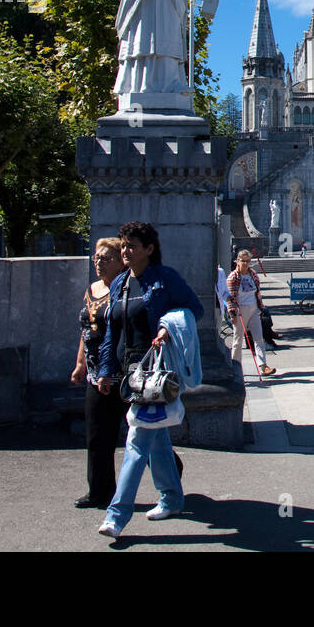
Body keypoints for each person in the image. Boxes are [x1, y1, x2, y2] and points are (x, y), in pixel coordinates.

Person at [97, 221, 204, 538]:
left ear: (149, 249)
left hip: (155, 369)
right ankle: (172, 497)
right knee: (156, 437)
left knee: (136, 441)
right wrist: (105, 370)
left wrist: (167, 327)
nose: (125, 250)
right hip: (130, 372)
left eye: (131, 245)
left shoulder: (164, 278)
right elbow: (110, 333)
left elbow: (193, 309)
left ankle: (116, 516)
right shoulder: (119, 284)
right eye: (123, 244)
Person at [72, 238, 128, 510]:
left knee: (142, 437)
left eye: (106, 258)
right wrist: (80, 363)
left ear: (120, 261)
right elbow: (86, 329)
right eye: (96, 257)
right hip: (95, 375)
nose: (98, 262)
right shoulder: (92, 289)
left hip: (124, 376)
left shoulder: (126, 289)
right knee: (97, 436)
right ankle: (100, 492)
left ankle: (170, 477)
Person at [226, 249, 277, 377]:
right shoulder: (233, 277)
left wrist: (260, 307)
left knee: (259, 337)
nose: (245, 264)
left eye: (247, 261)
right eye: (242, 261)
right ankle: (235, 367)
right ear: (237, 261)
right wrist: (232, 314)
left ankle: (263, 366)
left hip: (254, 308)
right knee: (238, 340)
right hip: (240, 310)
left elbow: (257, 292)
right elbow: (230, 298)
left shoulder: (253, 274)